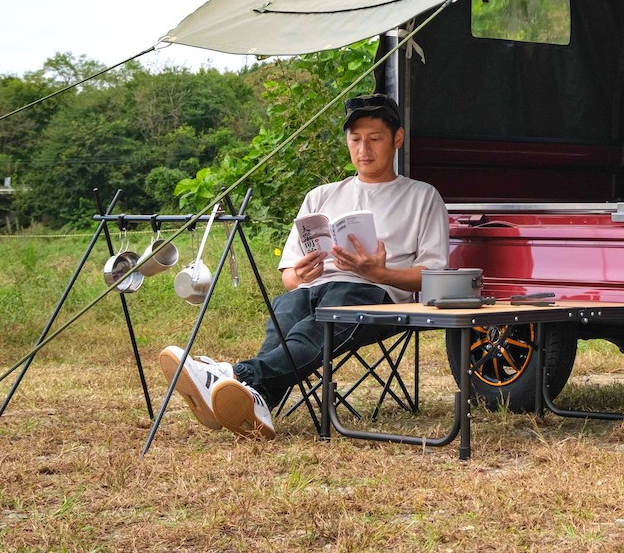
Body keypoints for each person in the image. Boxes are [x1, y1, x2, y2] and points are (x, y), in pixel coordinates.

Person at [158, 92, 449, 439]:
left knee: (316, 327)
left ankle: (232, 376)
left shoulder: (422, 196)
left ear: (397, 139)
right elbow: (290, 278)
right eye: (355, 140)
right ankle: (258, 402)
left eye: (375, 139)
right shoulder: (321, 195)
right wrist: (302, 272)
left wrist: (379, 273)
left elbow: (433, 275)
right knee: (287, 309)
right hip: (312, 289)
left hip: (373, 295)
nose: (364, 150)